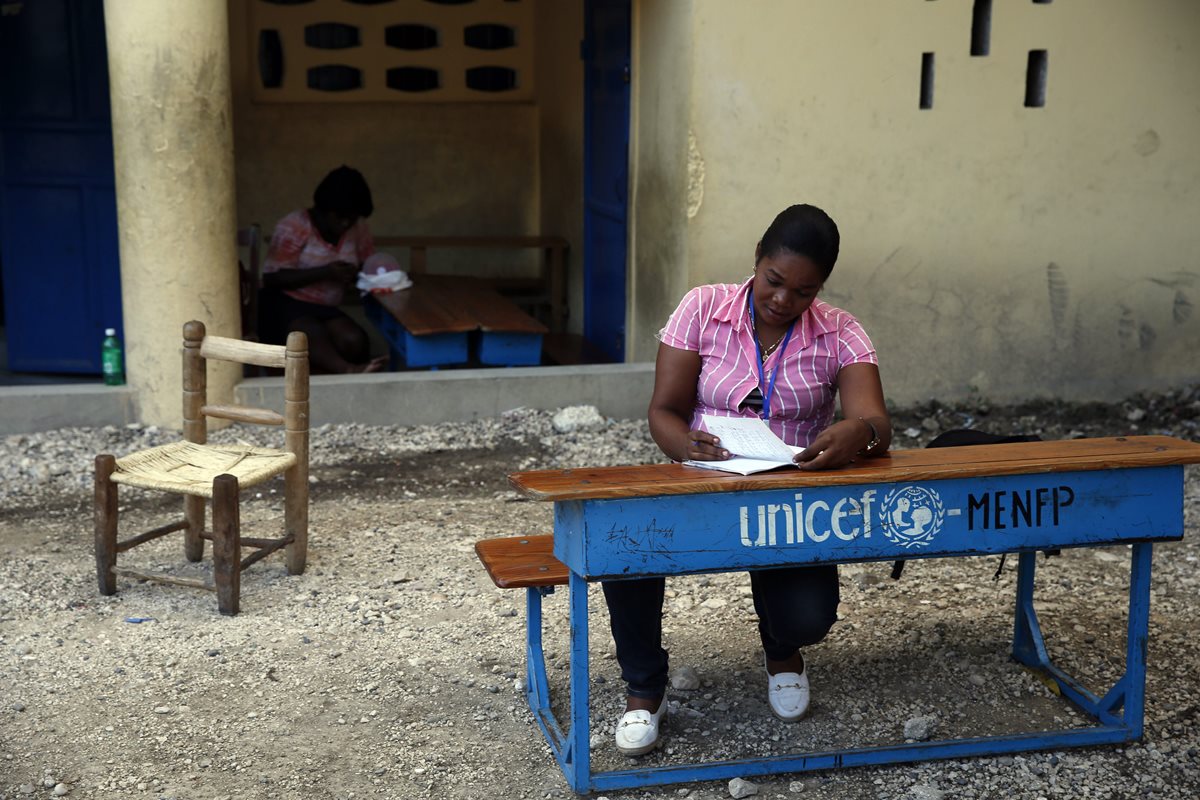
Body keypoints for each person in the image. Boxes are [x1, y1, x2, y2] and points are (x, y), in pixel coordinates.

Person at [605, 203, 893, 756]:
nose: (784, 300)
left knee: (809, 618)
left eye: (804, 292)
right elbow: (663, 411)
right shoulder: (702, 308)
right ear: (757, 260)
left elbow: (878, 424)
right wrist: (683, 443)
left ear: (822, 289)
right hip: (701, 479)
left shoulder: (840, 332)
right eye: (774, 280)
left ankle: (784, 651)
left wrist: (855, 432)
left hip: (788, 493)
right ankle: (644, 690)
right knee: (626, 542)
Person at [258, 165, 387, 374]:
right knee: (310, 335)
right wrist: (326, 272)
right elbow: (273, 278)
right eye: (339, 216)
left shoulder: (358, 227)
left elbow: (367, 265)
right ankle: (349, 370)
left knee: (354, 341)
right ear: (322, 211)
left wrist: (354, 275)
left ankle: (343, 372)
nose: (346, 223)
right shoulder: (295, 225)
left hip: (325, 308)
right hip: (284, 303)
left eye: (352, 217)